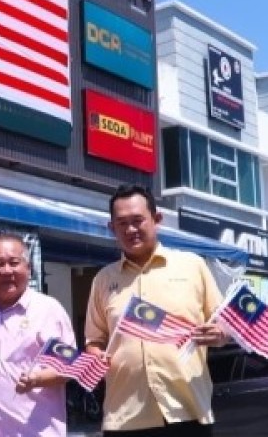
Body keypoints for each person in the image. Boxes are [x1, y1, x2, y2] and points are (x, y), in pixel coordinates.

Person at [84, 184, 228, 437]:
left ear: (157, 219)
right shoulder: (103, 280)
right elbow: (94, 340)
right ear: (111, 228)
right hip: (126, 417)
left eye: (137, 220)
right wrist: (95, 355)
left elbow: (224, 324)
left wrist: (219, 334)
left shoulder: (192, 266)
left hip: (188, 412)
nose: (130, 230)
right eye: (122, 223)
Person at [0, 231, 75, 437]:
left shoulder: (48, 309)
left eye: (14, 262)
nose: (7, 270)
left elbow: (69, 367)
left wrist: (36, 379)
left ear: (28, 268)